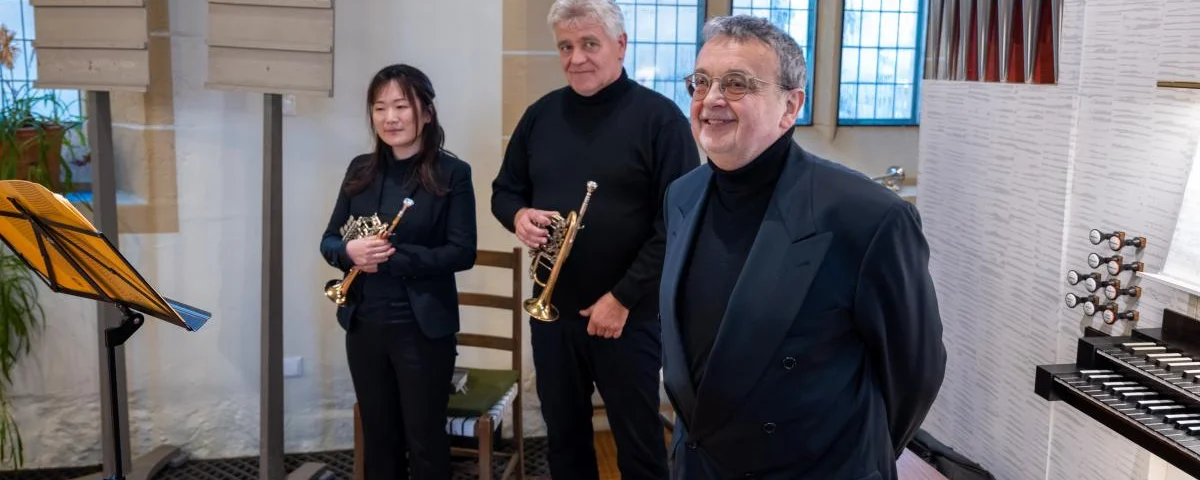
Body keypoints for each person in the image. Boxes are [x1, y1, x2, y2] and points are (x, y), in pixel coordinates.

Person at [659, 15, 947, 480]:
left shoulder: (866, 216)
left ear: (790, 107)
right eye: (701, 82)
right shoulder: (682, 196)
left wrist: (854, 456)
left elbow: (915, 372)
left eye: (736, 84)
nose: (711, 99)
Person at [490, 0, 700, 478]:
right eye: (566, 46)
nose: (576, 57)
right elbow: (505, 191)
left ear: (620, 45)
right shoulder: (540, 116)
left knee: (639, 443)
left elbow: (678, 225)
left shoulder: (660, 120)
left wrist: (621, 298)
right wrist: (518, 215)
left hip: (630, 316)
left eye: (590, 43)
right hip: (554, 311)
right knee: (563, 439)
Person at [319, 63, 476, 480]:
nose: (390, 117)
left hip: (422, 329)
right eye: (379, 107)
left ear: (426, 112)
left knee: (424, 440)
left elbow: (462, 252)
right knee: (379, 437)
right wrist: (349, 251)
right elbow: (328, 241)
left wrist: (392, 256)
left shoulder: (452, 174)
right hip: (365, 324)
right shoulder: (359, 170)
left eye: (401, 106)